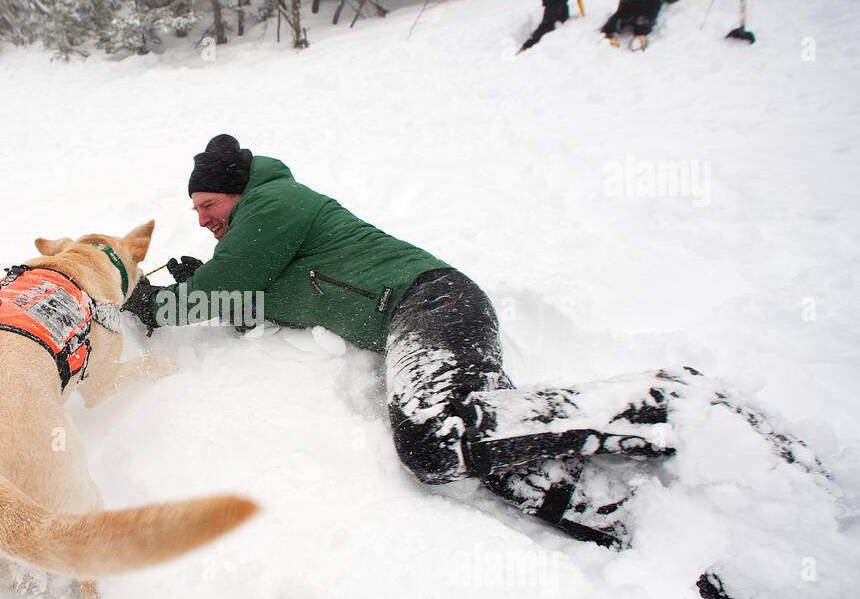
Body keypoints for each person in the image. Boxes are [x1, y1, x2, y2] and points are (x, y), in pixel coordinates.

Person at [122, 135, 686, 549]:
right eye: (195, 210)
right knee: (483, 447)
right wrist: (203, 278)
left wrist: (148, 303)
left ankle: (657, 403)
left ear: (238, 194)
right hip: (430, 313)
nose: (201, 220)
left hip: (433, 303)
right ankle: (634, 517)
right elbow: (241, 296)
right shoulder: (264, 225)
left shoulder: (275, 202)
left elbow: (223, 290)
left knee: (432, 442)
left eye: (209, 206)